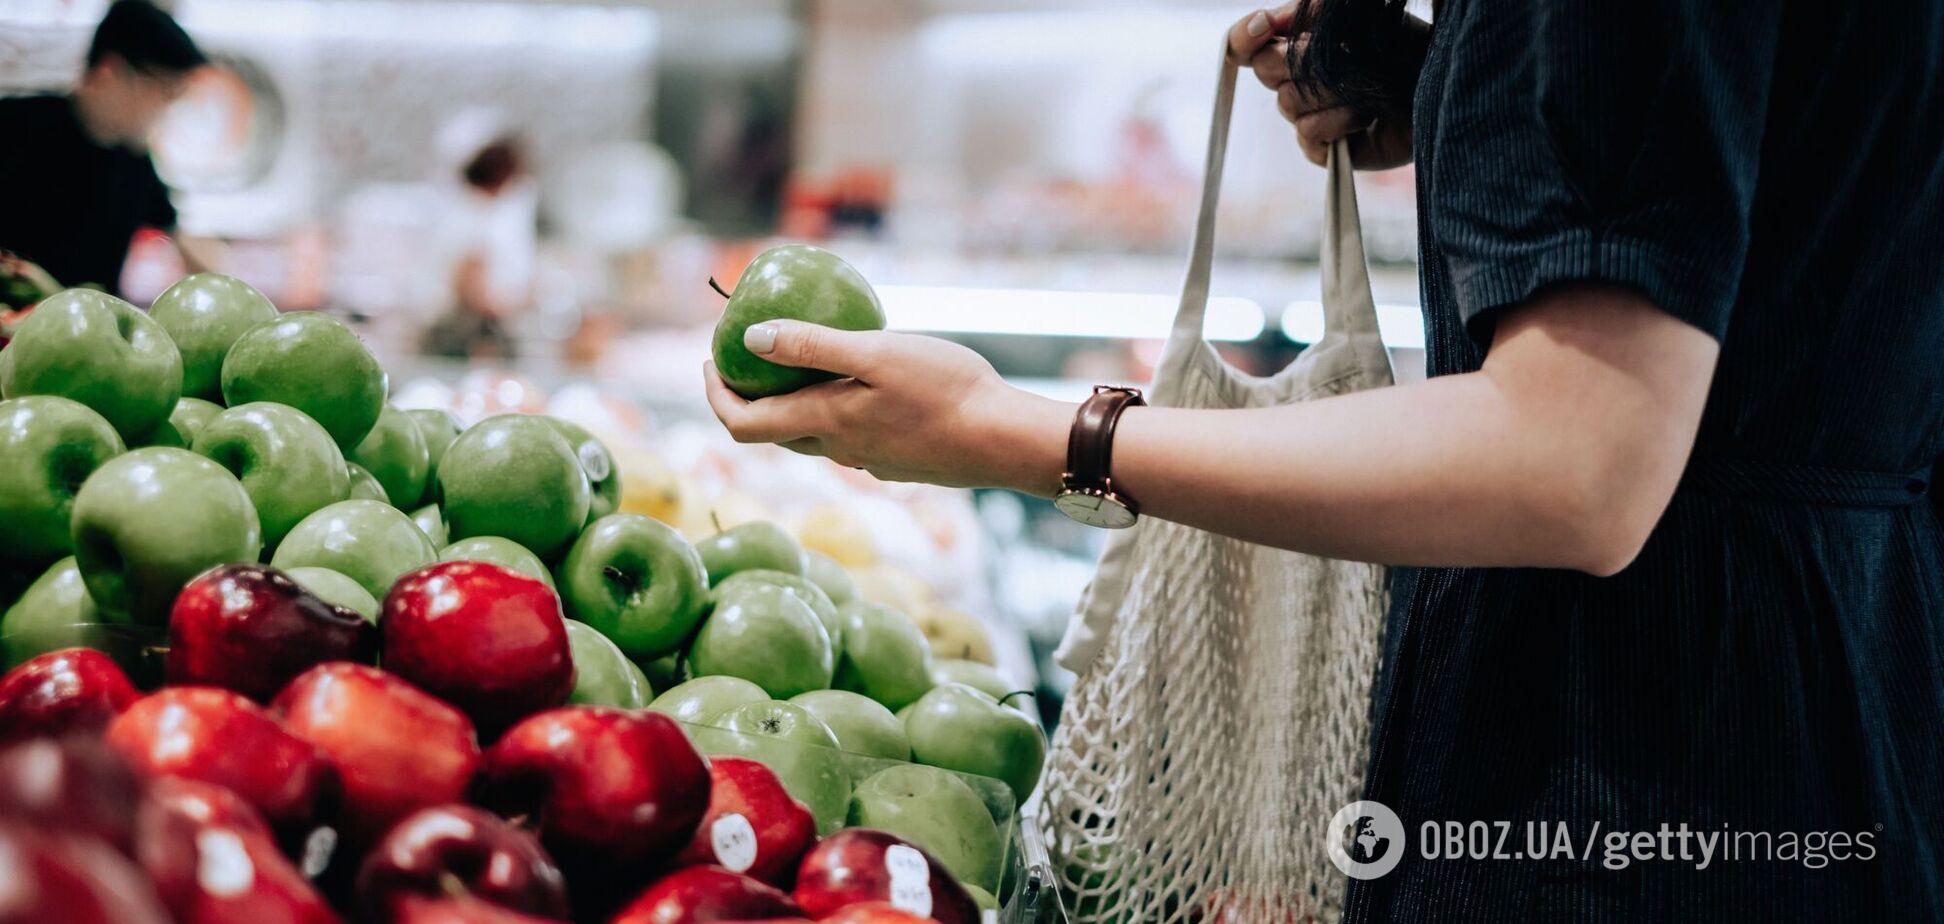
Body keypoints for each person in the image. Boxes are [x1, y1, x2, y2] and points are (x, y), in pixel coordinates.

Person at [706, 0, 1944, 919]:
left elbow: (1576, 461)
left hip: (1644, 750)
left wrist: (1018, 433)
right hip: (1835, 689)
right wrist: (1470, 92)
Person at [0, 0, 214, 296]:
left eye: (174, 94)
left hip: (98, 333)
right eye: (162, 89)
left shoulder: (134, 159)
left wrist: (237, 292)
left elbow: (179, 235)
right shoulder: (15, 127)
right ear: (109, 71)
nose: (165, 108)